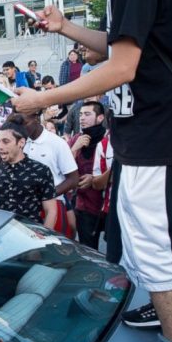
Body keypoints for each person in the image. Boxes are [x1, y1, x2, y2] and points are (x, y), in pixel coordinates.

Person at [15, 0, 172, 342]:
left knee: (154, 248)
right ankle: (162, 306)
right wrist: (65, 27)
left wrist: (45, 101)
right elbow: (118, 43)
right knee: (136, 236)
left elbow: (122, 65)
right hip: (146, 134)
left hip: (159, 133)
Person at [0, 115, 57, 228]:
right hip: (0, 237)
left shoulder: (41, 170)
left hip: (31, 237)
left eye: (6, 141)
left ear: (21, 143)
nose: (0, 146)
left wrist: (43, 239)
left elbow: (51, 211)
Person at [21, 109, 79, 238]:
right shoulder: (20, 142)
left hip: (53, 207)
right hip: (26, 208)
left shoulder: (57, 143)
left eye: (24, 122)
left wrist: (45, 196)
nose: (21, 127)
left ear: (36, 118)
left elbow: (73, 179)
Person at [68, 101, 107, 249]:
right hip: (84, 205)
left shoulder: (108, 140)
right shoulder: (76, 139)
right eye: (80, 115)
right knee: (88, 249)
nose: (82, 118)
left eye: (87, 114)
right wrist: (74, 149)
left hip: (107, 203)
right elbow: (64, 169)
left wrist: (95, 179)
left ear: (100, 117)